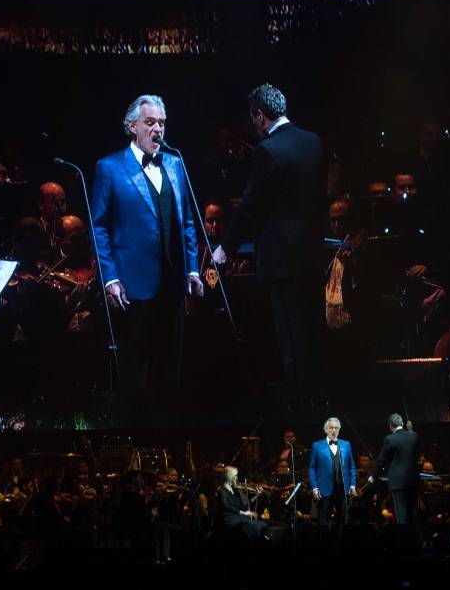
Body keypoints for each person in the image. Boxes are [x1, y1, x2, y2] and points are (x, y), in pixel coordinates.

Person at [91, 94, 205, 395]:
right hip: (132, 286)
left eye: (162, 123)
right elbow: (98, 226)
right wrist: (110, 277)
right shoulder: (110, 167)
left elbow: (189, 222)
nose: (158, 129)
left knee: (170, 372)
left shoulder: (175, 163)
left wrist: (192, 269)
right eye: (150, 122)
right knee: (136, 374)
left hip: (172, 283)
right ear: (132, 126)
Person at [212, 83, 324, 381]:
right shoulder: (314, 141)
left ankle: (298, 403)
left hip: (282, 260)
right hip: (311, 255)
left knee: (290, 337)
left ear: (260, 115)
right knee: (311, 333)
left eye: (253, 118)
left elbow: (250, 206)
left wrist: (224, 248)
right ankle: (317, 400)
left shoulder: (268, 150)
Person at [369, 413, 423, 549]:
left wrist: (373, 476)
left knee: (402, 515)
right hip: (413, 480)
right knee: (413, 513)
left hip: (398, 482)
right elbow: (418, 453)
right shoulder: (414, 436)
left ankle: (405, 546)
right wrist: (411, 430)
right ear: (403, 423)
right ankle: (417, 544)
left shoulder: (389, 439)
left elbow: (381, 460)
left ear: (390, 426)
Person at [308, 417, 356, 547]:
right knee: (325, 519)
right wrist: (315, 487)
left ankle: (342, 545)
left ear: (339, 430)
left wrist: (352, 485)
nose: (334, 430)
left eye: (336, 428)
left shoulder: (346, 445)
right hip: (324, 488)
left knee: (344, 519)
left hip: (343, 488)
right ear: (326, 429)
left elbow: (352, 466)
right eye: (331, 428)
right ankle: (326, 546)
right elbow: (312, 468)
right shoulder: (317, 445)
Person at [217, 466, 267, 543]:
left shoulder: (234, 490)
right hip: (230, 519)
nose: (237, 478)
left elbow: (243, 506)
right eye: (235, 476)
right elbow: (225, 505)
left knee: (261, 524)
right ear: (230, 477)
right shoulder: (222, 490)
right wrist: (243, 513)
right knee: (255, 526)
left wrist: (256, 496)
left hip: (238, 517)